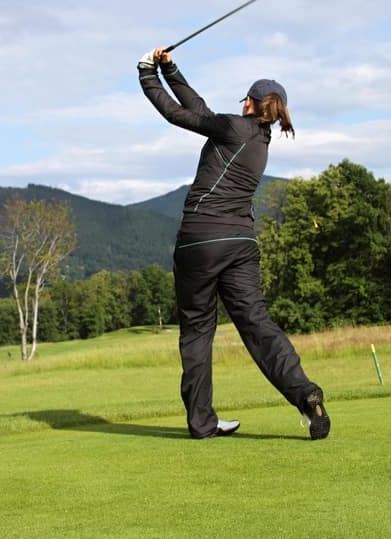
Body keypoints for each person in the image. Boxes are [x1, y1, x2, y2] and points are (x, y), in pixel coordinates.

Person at [137, 48, 330, 440]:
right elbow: (201, 109)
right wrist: (170, 69)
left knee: (196, 331)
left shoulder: (233, 127)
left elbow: (179, 115)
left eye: (244, 97)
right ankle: (304, 393)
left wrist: (146, 74)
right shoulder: (258, 138)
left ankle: (202, 422)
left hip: (200, 239)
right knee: (257, 322)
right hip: (241, 242)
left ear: (251, 102)